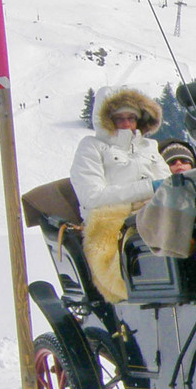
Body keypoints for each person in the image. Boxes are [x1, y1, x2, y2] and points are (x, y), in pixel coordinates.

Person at [70, 87, 169, 302]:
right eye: (119, 118)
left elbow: (168, 185)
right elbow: (93, 197)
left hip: (154, 212)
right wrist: (149, 189)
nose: (126, 124)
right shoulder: (91, 148)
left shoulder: (149, 148)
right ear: (105, 120)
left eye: (131, 118)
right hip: (111, 223)